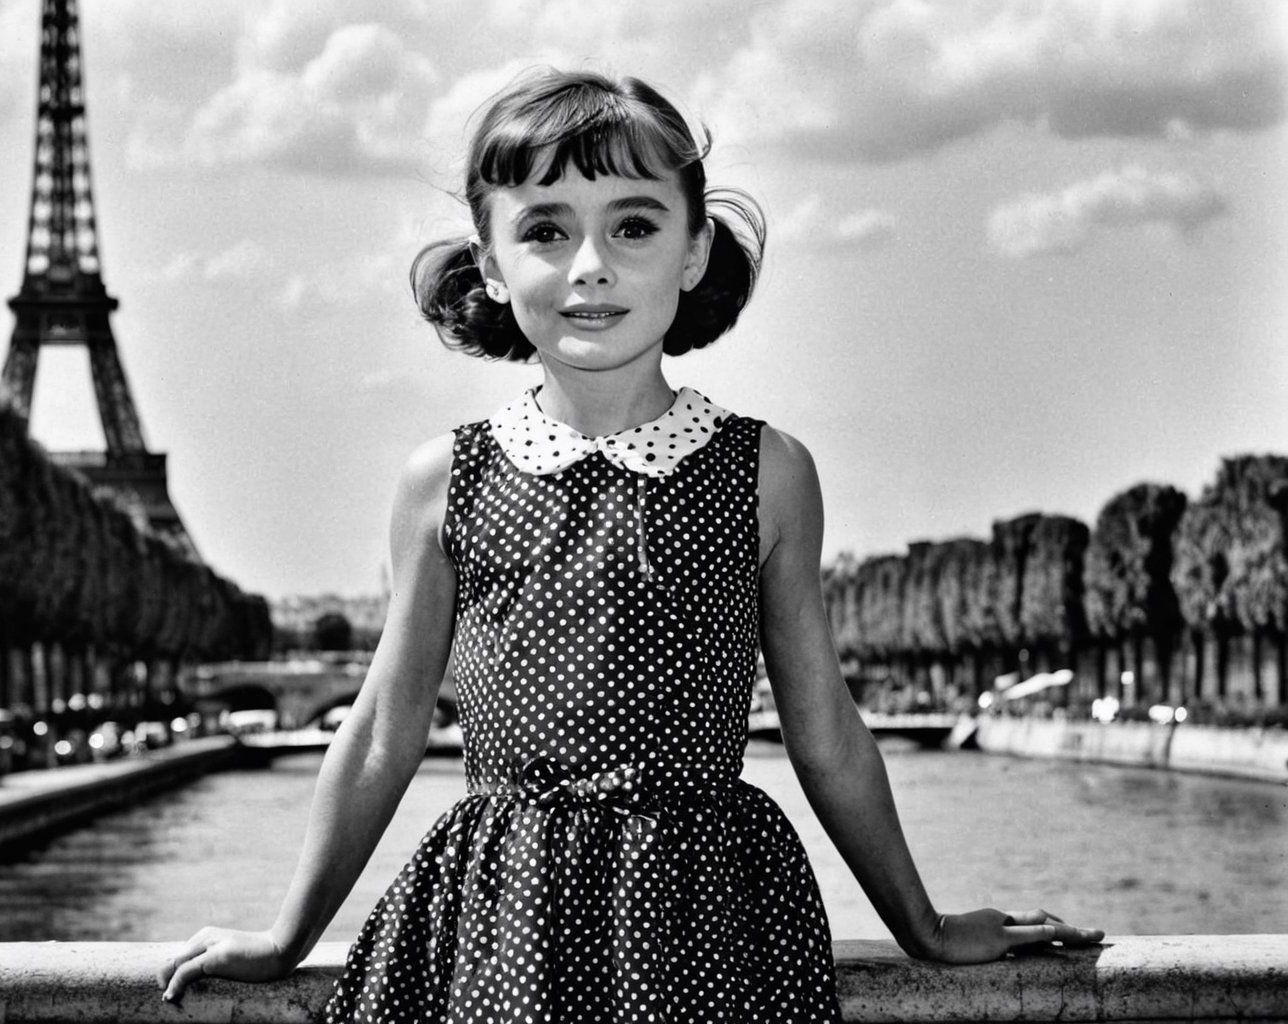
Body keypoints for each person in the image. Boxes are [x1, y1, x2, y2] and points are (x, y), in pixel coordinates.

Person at [158, 68, 1102, 1021]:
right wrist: (286, 937)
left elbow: (826, 732)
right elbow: (380, 733)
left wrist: (925, 927)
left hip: (708, 919)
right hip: (506, 919)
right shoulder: (442, 480)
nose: (590, 265)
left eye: (634, 226)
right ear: (489, 262)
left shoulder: (768, 472)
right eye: (546, 230)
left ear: (695, 252)